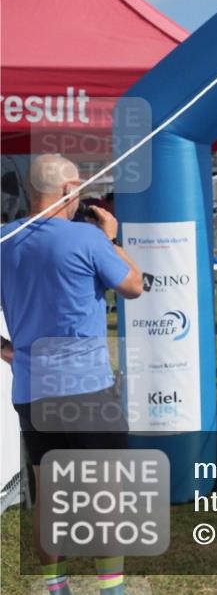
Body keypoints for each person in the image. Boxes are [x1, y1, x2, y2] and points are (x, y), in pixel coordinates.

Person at [0, 154, 144, 595]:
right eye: (78, 190)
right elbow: (134, 285)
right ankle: (111, 589)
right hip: (86, 389)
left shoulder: (4, 239)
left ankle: (55, 587)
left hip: (31, 390)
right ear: (67, 190)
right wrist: (111, 238)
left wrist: (9, 352)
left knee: (48, 498)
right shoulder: (87, 237)